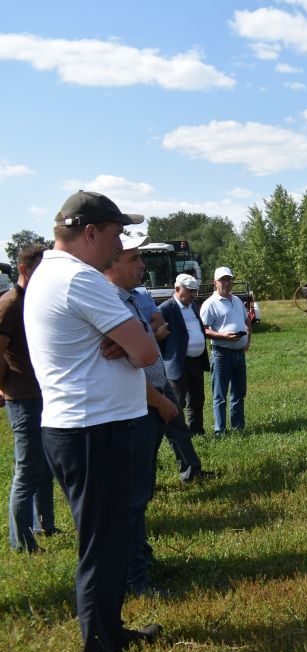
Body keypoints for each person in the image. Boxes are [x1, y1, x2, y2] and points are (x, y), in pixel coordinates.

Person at [24, 190, 160, 652]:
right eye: (118, 233)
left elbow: (134, 346)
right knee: (101, 548)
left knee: (108, 538)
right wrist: (128, 342)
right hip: (93, 430)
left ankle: (111, 631)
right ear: (91, 232)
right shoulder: (81, 278)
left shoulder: (49, 274)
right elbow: (146, 353)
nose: (120, 243)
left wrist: (122, 341)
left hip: (81, 428)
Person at [104, 234, 182, 596]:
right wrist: (160, 401)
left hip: (148, 404)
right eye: (134, 259)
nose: (141, 266)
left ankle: (142, 559)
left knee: (142, 492)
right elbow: (122, 370)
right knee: (133, 499)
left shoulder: (133, 299)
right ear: (112, 262)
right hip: (140, 408)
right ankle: (135, 579)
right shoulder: (110, 304)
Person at [1, 244, 57, 552]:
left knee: (45, 464)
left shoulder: (36, 300)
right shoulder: (10, 304)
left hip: (44, 393)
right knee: (27, 470)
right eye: (40, 269)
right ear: (24, 269)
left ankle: (44, 524)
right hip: (22, 398)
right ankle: (21, 542)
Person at [200, 266, 251, 435]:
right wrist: (223, 336)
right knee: (220, 394)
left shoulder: (236, 300)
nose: (226, 283)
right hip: (221, 353)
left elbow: (247, 321)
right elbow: (205, 330)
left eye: (229, 279)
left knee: (239, 392)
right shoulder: (209, 304)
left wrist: (247, 341)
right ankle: (220, 430)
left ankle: (237, 428)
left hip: (238, 353)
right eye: (222, 280)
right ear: (215, 283)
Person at [159, 274, 210, 436]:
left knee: (197, 398)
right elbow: (159, 338)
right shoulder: (166, 309)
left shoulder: (193, 306)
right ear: (177, 289)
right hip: (177, 363)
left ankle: (197, 431)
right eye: (189, 291)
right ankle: (177, 433)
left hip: (196, 361)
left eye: (194, 292)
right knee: (177, 400)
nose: (192, 295)